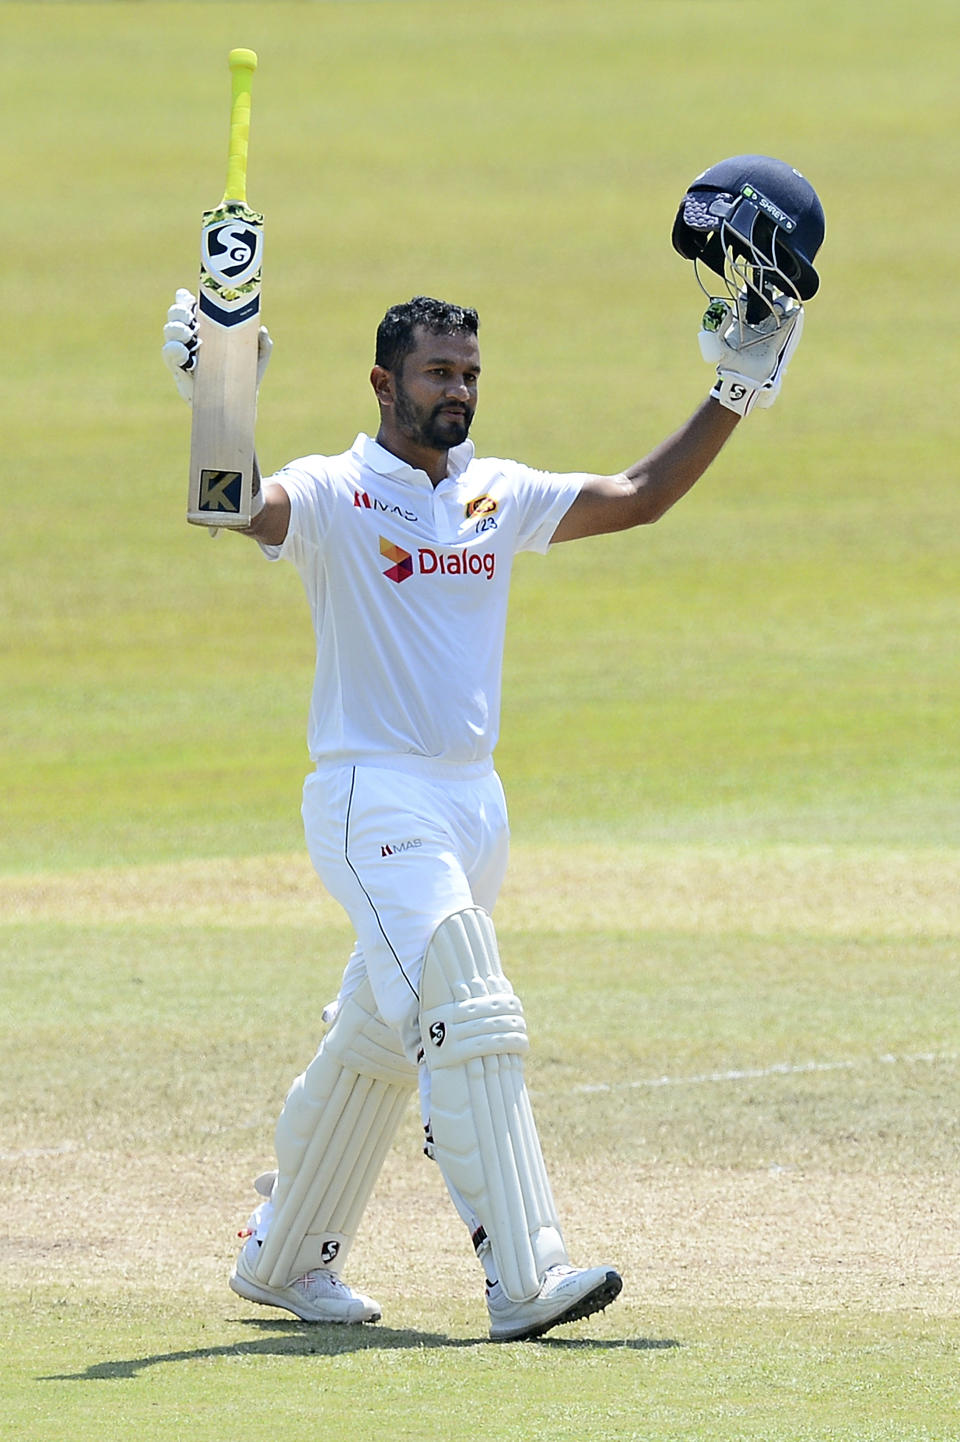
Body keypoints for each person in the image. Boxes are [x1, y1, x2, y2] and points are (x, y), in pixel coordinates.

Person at [162, 157, 822, 1341]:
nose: (459, 390)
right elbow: (227, 504)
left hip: (474, 810)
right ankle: (525, 1274)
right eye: (437, 373)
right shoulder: (333, 492)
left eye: (470, 371)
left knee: (378, 1038)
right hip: (372, 801)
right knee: (464, 1002)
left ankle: (280, 1257)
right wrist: (217, 379)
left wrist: (733, 389)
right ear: (383, 382)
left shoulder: (493, 494)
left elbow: (639, 495)